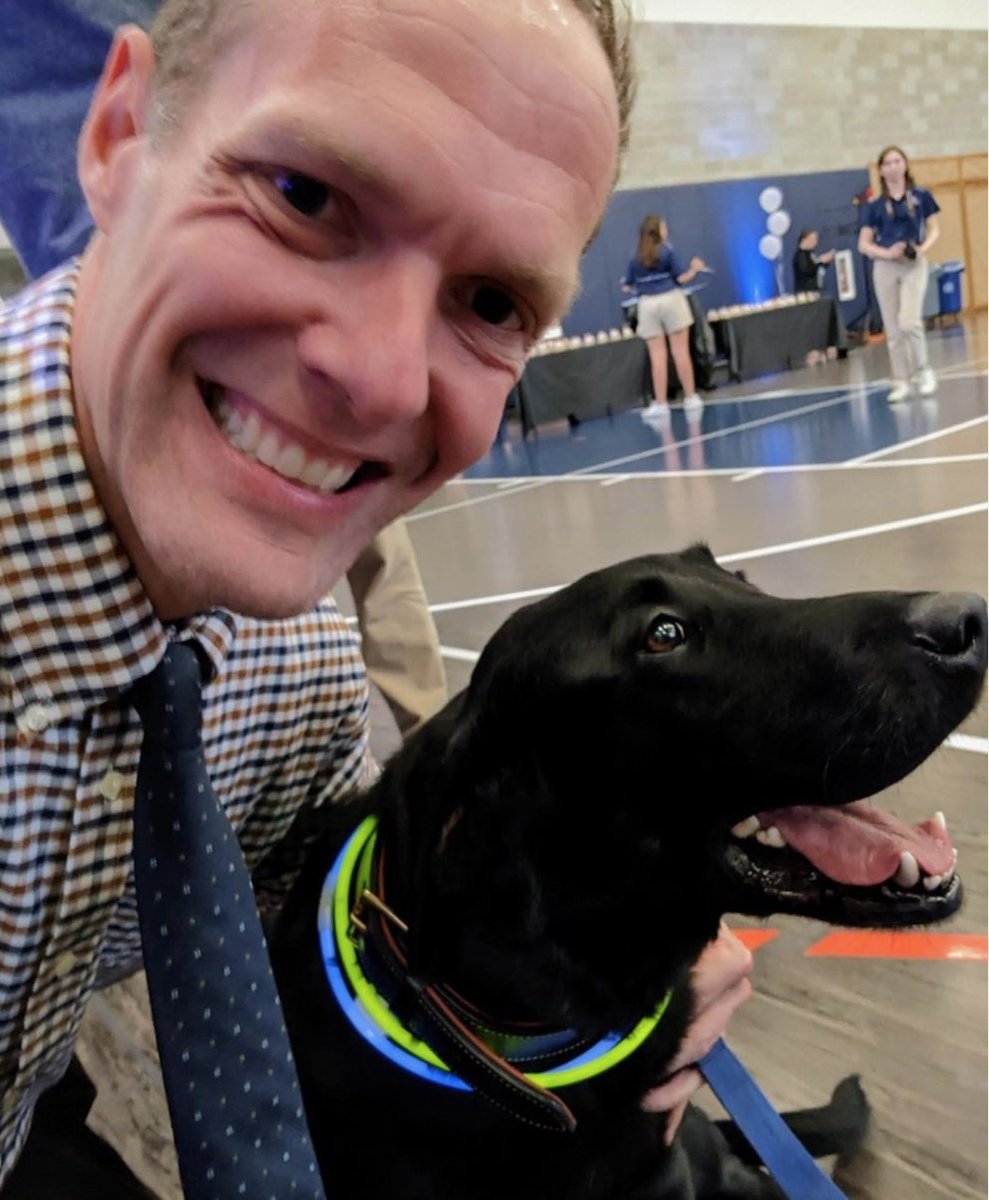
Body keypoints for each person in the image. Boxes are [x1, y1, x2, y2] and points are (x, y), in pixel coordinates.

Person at [0, 2, 752, 1194]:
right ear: (117, 133)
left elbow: (391, 907)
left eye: (493, 302)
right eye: (304, 196)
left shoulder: (293, 656)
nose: (380, 376)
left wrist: (636, 943)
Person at [858, 144, 941, 403]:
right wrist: (886, 253)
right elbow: (864, 244)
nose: (893, 167)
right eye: (888, 163)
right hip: (885, 265)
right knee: (893, 329)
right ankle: (901, 379)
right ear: (881, 170)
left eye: (898, 161)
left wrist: (921, 248)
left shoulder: (920, 196)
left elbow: (934, 229)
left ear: (905, 165)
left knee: (909, 321)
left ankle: (923, 371)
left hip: (913, 264)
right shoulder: (874, 206)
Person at [622, 214, 706, 419]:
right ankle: (691, 397)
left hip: (647, 305)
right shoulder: (667, 251)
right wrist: (695, 270)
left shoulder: (636, 257)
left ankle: (660, 403)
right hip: (671, 300)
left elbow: (627, 286)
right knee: (680, 351)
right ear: (658, 231)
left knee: (657, 356)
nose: (666, 230)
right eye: (663, 227)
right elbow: (681, 278)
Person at [792, 228, 834, 294]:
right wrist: (821, 261)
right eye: (812, 239)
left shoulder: (811, 254)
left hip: (816, 290)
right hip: (806, 292)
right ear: (804, 240)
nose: (815, 242)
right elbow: (807, 270)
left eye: (816, 239)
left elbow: (818, 268)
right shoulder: (800, 255)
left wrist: (826, 262)